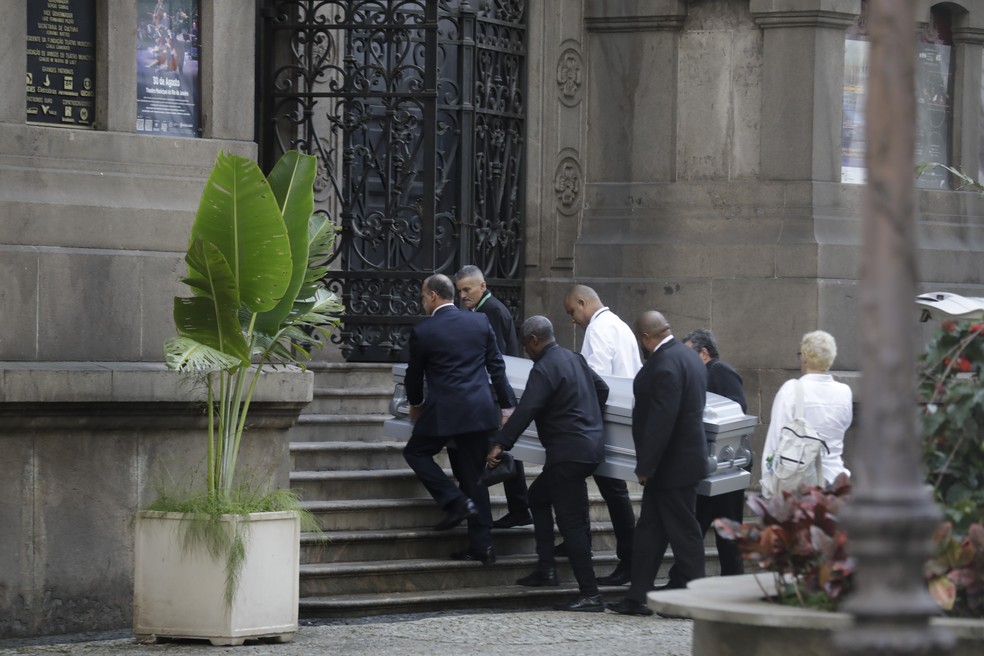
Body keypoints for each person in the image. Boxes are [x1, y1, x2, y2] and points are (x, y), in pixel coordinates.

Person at [488, 316, 609, 612]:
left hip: (567, 453)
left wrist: (501, 443)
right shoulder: (574, 358)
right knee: (538, 497)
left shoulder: (543, 368)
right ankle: (546, 568)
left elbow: (526, 409)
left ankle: (591, 594)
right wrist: (587, 418)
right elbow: (602, 389)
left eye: (527, 345)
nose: (527, 351)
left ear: (533, 341)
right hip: (589, 449)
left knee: (572, 525)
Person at [403, 274, 517, 565]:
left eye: (422, 296)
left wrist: (415, 404)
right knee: (473, 477)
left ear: (432, 296)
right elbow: (497, 367)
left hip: (444, 411)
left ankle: (454, 501)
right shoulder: (479, 322)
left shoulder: (424, 330)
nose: (422, 301)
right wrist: (507, 409)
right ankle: (483, 546)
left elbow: (414, 375)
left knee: (415, 452)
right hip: (480, 411)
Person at [609, 311, 708, 616]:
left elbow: (661, 421)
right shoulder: (689, 357)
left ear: (645, 338)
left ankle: (696, 599)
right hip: (680, 463)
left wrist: (645, 466)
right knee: (650, 531)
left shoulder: (664, 364)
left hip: (670, 468)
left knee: (684, 533)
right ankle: (637, 597)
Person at [562, 285, 641, 586]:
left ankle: (627, 558)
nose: (572, 319)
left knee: (612, 490)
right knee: (612, 490)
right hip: (622, 414)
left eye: (572, 311)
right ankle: (582, 540)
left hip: (602, 420)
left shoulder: (597, 331)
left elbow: (593, 381)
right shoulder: (619, 325)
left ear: (583, 303)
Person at [664, 329, 748, 588]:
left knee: (724, 533)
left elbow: (735, 413)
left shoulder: (720, 371)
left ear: (703, 353)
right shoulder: (702, 373)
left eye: (689, 353)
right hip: (712, 466)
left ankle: (726, 584)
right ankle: (682, 579)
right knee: (697, 527)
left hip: (725, 466)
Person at [454, 265, 531, 529]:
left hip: (498, 393)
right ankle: (519, 507)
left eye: (467, 289)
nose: (463, 295)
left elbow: (495, 358)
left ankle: (520, 507)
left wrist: (503, 402)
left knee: (503, 451)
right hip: (497, 392)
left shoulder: (491, 311)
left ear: (482, 286)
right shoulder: (482, 310)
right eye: (460, 290)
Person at [760, 330, 852, 495]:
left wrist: (768, 485)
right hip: (836, 482)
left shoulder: (791, 389)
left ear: (804, 357)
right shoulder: (845, 392)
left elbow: (775, 441)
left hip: (800, 485)